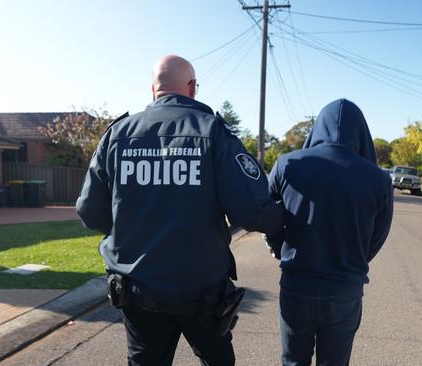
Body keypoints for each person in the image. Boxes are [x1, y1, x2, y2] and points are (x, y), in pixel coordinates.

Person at [76, 54, 284, 366]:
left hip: (138, 288)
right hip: (201, 292)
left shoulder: (117, 136)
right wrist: (288, 221)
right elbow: (253, 210)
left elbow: (90, 212)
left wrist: (130, 231)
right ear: (192, 87)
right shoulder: (213, 133)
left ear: (153, 89)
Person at [265, 98, 393, 366]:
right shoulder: (379, 179)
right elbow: (378, 235)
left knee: (293, 361)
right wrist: (354, 259)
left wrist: (280, 249)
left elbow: (267, 216)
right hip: (345, 289)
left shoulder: (287, 165)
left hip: (297, 284)